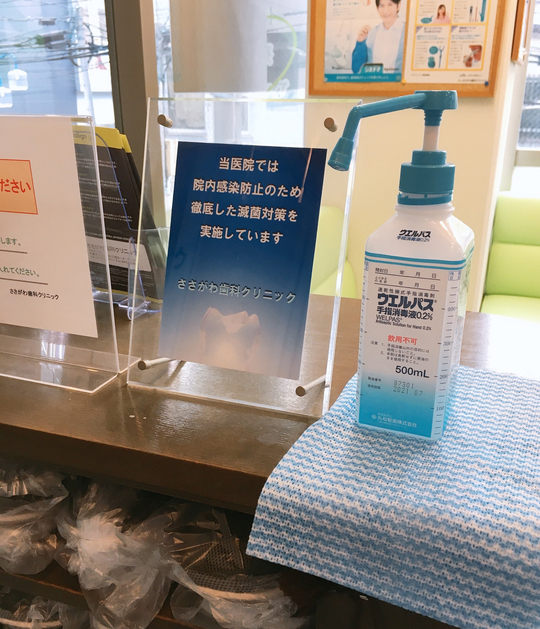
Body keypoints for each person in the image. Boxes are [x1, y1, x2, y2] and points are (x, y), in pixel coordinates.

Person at [351, 0, 405, 74]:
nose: (386, 11)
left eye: (390, 5)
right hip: (375, 81)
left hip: (398, 81)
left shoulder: (407, 32)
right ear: (377, 8)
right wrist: (360, 43)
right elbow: (357, 68)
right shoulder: (372, 33)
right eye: (382, 6)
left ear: (398, 6)